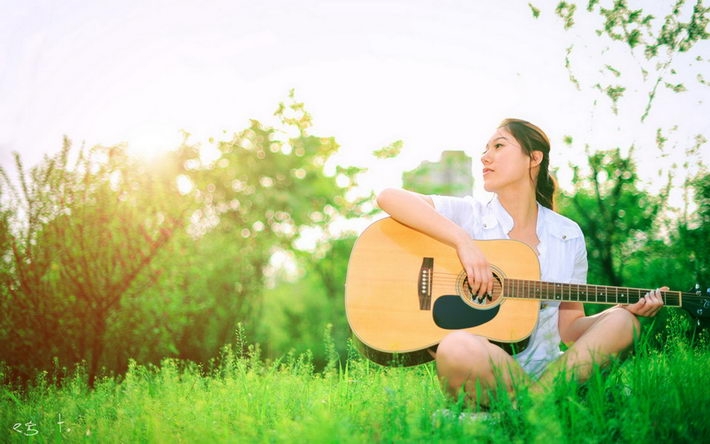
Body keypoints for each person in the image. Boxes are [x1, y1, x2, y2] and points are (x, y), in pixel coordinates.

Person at [376, 118, 664, 407]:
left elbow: (570, 329)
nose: (485, 157)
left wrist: (614, 312)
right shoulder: (471, 214)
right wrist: (463, 242)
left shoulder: (567, 234)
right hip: (486, 365)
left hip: (554, 371)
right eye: (485, 149)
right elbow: (389, 197)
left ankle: (527, 407)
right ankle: (550, 408)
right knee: (454, 346)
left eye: (499, 146)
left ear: (534, 158)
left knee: (625, 322)